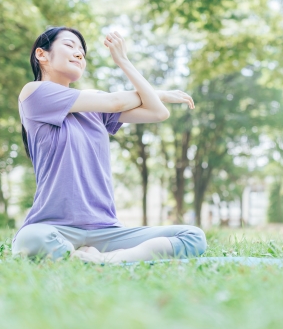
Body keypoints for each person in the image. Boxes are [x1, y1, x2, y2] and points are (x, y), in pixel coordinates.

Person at [12, 27, 207, 263]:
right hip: (54, 227)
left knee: (193, 236)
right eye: (69, 45)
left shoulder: (95, 106)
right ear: (42, 55)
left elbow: (157, 112)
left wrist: (123, 61)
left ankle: (101, 259)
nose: (79, 54)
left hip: (106, 230)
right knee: (31, 239)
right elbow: (115, 101)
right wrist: (161, 92)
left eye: (82, 51)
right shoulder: (34, 93)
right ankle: (100, 257)